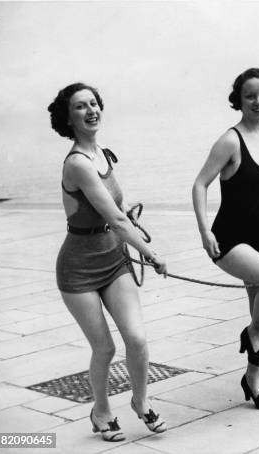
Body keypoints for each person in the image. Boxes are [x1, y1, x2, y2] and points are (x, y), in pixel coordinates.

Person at [49, 83, 168, 442]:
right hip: (78, 268)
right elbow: (116, 220)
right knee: (105, 347)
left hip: (114, 259)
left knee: (137, 338)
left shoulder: (102, 154)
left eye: (94, 103)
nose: (90, 110)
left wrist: (127, 229)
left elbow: (116, 214)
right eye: (80, 107)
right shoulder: (78, 163)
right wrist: (152, 254)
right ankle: (100, 411)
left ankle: (141, 402)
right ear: (68, 118)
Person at [192, 68, 259, 410]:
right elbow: (200, 183)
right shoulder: (230, 140)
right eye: (250, 95)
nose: (258, 101)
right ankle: (251, 333)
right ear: (239, 100)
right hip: (229, 239)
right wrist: (204, 231)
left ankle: (253, 382)